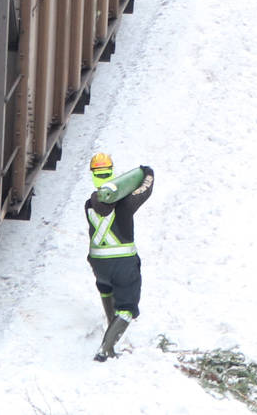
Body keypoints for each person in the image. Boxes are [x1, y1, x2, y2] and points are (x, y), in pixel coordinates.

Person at [83, 152, 155, 361]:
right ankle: (105, 349)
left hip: (99, 266)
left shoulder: (89, 205)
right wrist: (147, 173)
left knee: (107, 292)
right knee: (127, 307)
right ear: (111, 173)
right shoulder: (125, 204)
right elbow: (144, 190)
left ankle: (110, 334)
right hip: (123, 264)